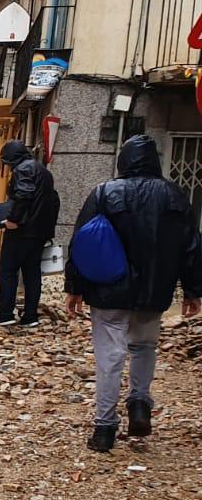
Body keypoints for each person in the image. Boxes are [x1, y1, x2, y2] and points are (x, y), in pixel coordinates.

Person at [63, 134, 202, 452]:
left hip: (110, 292)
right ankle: (139, 402)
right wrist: (193, 290)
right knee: (144, 348)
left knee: (110, 357)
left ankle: (105, 428)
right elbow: (191, 246)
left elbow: (83, 242)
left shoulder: (105, 192)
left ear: (124, 160)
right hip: (155, 292)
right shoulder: (175, 196)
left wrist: (75, 287)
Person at [0, 141, 61, 329]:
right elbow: (53, 200)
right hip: (39, 232)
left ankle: (5, 314)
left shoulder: (23, 169)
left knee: (7, 270)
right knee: (32, 273)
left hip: (22, 231)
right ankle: (30, 316)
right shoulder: (44, 171)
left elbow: (23, 195)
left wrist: (13, 220)